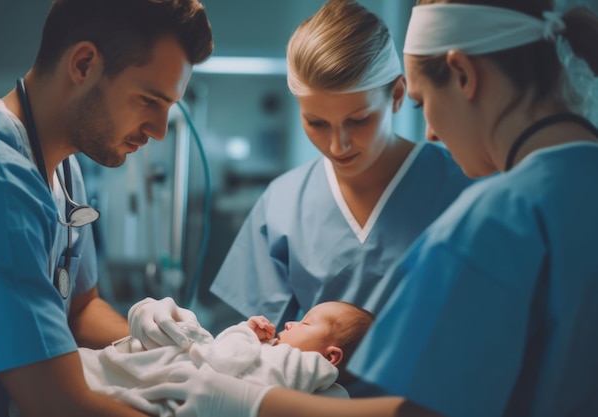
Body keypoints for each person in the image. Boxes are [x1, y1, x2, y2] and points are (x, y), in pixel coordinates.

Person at [141, 1, 598, 417]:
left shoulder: (492, 216)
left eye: (420, 104)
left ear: (457, 76)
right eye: (316, 122)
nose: (432, 133)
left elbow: (423, 411)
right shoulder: (559, 190)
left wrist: (257, 404)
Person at [0, 0, 213, 416]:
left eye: (168, 108)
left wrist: (162, 347)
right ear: (83, 64)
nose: (158, 131)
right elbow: (59, 401)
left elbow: (79, 310)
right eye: (148, 100)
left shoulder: (66, 169)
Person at [210, 0, 473, 334]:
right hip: (310, 387)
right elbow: (264, 341)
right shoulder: (283, 203)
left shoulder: (463, 185)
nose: (338, 145)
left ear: (396, 94)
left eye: (359, 120)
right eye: (316, 122)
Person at [73, 299, 374, 416]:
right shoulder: (325, 392)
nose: (290, 324)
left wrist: (243, 331)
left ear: (331, 356)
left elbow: (223, 363)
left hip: (178, 380)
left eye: (305, 323)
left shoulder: (300, 362)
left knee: (89, 374)